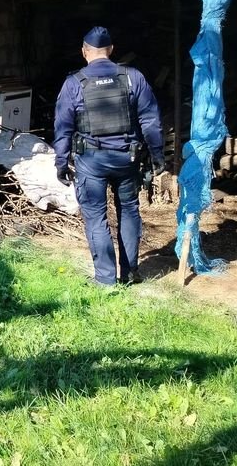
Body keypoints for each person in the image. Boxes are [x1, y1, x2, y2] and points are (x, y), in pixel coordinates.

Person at [53, 26, 165, 286]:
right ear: (112, 50)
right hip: (127, 159)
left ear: (84, 52)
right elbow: (150, 120)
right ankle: (129, 273)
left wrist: (61, 162)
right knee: (128, 211)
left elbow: (62, 127)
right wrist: (157, 155)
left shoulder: (74, 83)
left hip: (91, 162)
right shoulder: (132, 77)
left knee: (95, 216)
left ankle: (105, 280)